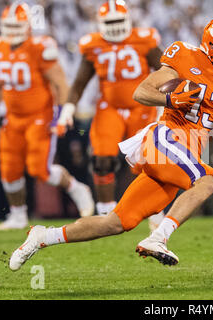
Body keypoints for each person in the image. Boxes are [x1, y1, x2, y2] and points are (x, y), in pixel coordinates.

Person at [8, 15, 213, 271]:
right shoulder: (186, 57)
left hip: (183, 154)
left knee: (117, 222)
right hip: (166, 138)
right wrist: (171, 100)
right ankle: (158, 237)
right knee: (208, 180)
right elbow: (142, 92)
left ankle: (43, 236)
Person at [0, 2, 94, 230]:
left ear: (27, 26)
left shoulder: (40, 47)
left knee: (39, 169)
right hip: (12, 117)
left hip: (40, 116)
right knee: (9, 168)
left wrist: (62, 114)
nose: (13, 31)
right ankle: (17, 215)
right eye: (9, 26)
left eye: (17, 26)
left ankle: (76, 188)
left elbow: (60, 83)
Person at [55, 0, 164, 224]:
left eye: (118, 21)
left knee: (149, 163)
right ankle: (106, 212)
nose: (114, 26)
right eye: (110, 22)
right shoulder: (93, 44)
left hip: (142, 107)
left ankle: (154, 211)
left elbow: (165, 73)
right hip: (110, 107)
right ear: (100, 23)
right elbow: (79, 83)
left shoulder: (145, 39)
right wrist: (68, 109)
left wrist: (165, 104)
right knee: (101, 159)